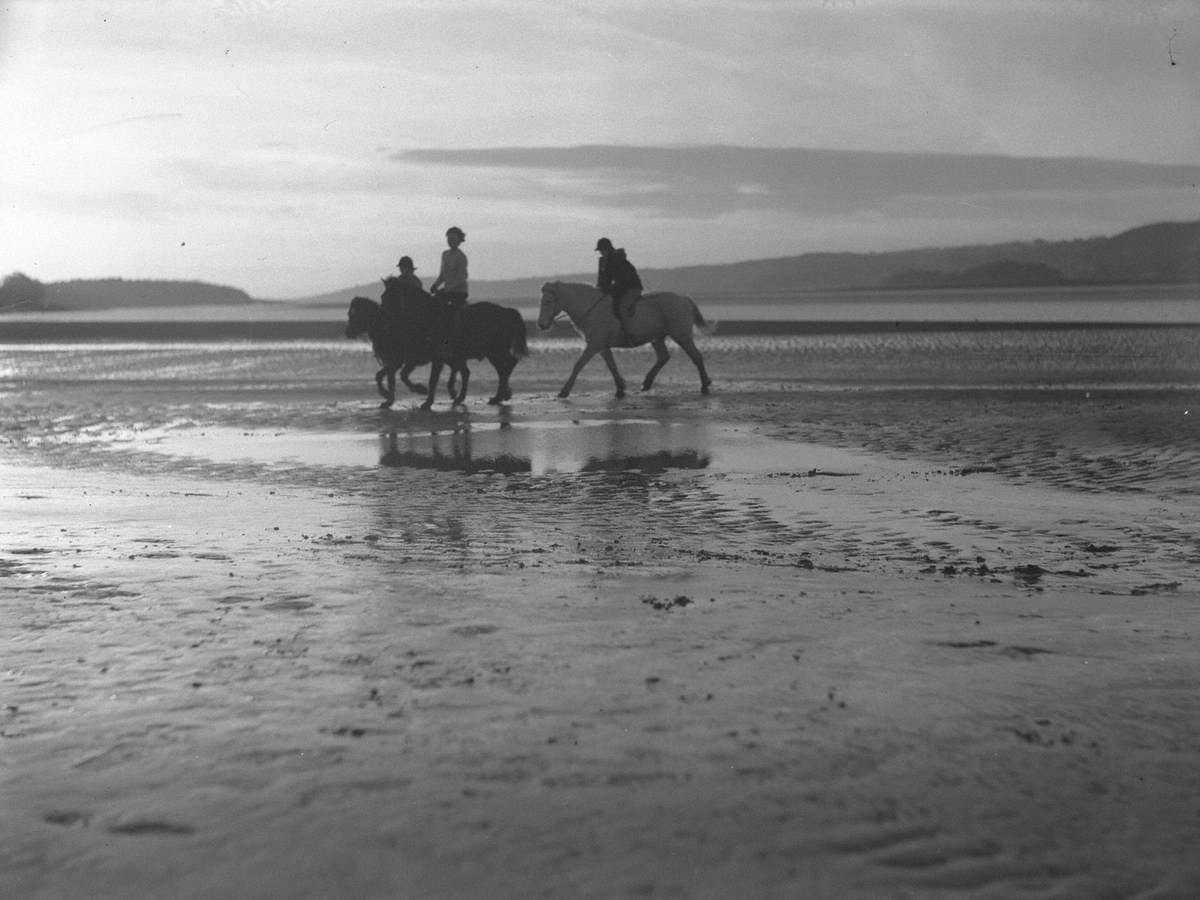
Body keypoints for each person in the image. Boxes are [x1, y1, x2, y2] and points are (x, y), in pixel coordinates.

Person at [595, 237, 642, 345]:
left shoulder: (618, 259)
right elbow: (603, 281)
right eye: (600, 251)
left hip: (632, 288)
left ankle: (630, 334)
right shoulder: (605, 261)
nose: (601, 253)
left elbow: (625, 280)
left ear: (607, 249)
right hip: (619, 290)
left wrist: (611, 288)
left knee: (622, 307)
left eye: (602, 250)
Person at [430, 226, 468, 350]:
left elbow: (461, 278)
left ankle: (450, 339)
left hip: (459, 292)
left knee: (450, 313)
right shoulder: (445, 254)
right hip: (447, 290)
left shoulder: (461, 257)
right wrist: (435, 285)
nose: (450, 241)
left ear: (459, 240)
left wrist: (447, 289)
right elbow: (442, 275)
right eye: (448, 238)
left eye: (453, 238)